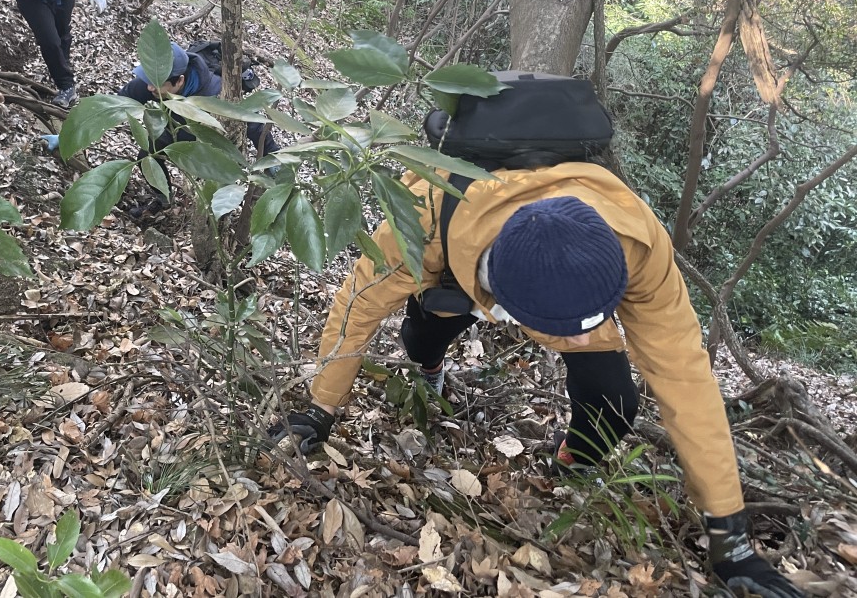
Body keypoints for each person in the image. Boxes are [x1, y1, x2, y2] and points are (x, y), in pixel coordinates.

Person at [275, 161, 804, 598]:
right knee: (422, 339)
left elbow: (686, 378)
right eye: (560, 334)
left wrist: (729, 534)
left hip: (564, 285)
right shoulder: (422, 219)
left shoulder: (637, 245)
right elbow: (356, 308)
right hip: (458, 270)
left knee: (615, 401)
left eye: (591, 324)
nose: (575, 343)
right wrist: (320, 408)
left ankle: (570, 463)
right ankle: (431, 367)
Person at [118, 41, 280, 221]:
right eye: (148, 80)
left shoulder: (215, 92)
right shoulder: (152, 85)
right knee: (146, 156)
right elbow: (119, 101)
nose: (149, 88)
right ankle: (163, 198)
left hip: (207, 145)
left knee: (208, 192)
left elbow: (251, 122)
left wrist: (272, 154)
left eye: (155, 84)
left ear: (179, 80)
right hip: (170, 133)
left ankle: (212, 221)